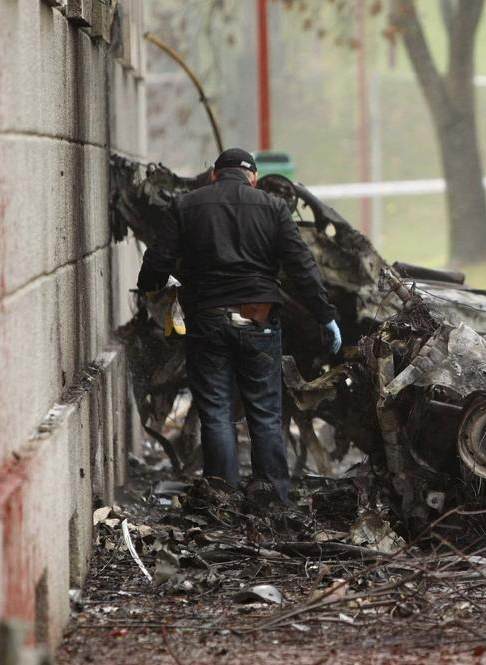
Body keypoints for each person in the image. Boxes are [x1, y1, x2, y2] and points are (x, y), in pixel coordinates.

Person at [137, 148, 342, 505]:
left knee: (215, 410)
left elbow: (156, 265)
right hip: (258, 319)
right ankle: (272, 496)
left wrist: (156, 286)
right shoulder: (274, 208)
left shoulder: (187, 205)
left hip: (207, 320)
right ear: (254, 178)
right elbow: (302, 267)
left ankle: (222, 496)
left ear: (214, 175)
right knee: (265, 411)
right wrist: (325, 315)